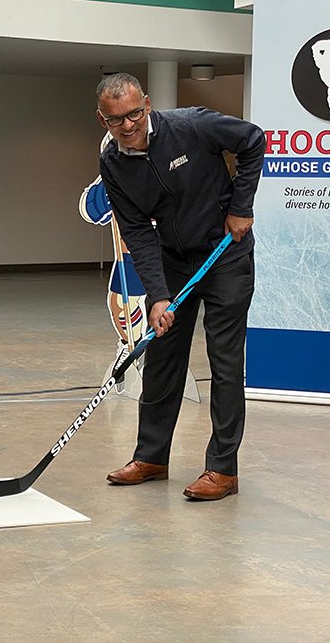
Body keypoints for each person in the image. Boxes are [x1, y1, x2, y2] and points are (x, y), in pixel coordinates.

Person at [96, 72, 264, 501]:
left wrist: (241, 206)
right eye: (117, 120)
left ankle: (223, 469)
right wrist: (157, 295)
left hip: (224, 252)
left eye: (135, 114)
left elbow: (253, 140)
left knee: (224, 361)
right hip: (174, 260)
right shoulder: (113, 161)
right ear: (103, 120)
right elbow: (135, 229)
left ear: (147, 104)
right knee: (162, 358)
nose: (128, 126)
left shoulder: (191, 125)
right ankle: (152, 457)